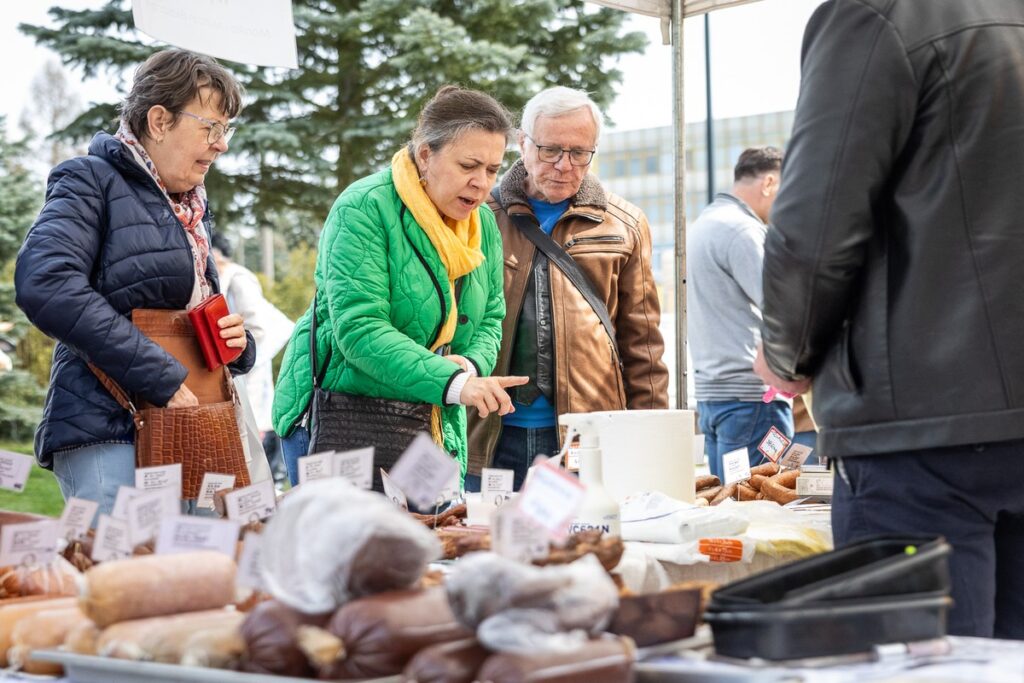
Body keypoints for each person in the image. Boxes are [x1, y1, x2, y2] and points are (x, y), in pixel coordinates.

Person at [754, 0, 1024, 638]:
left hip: (921, 428)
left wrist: (787, 357)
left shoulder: (878, 15)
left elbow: (813, 228)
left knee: (914, 663)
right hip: (970, 413)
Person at [14, 49, 254, 514]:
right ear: (160, 120)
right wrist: (156, 372)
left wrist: (235, 342)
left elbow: (187, 311)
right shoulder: (89, 180)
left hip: (188, 425)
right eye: (210, 127)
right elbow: (45, 282)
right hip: (108, 425)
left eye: (227, 130)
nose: (222, 144)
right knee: (120, 572)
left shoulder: (191, 207)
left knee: (197, 574)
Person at [272, 86, 528, 487]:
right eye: (468, 165)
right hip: (343, 420)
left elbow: (491, 318)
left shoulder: (484, 229)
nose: (482, 183)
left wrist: (469, 364)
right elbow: (360, 331)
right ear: (426, 154)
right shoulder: (364, 207)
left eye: (493, 170)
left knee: (433, 541)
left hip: (429, 420)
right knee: (347, 548)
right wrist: (454, 381)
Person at [466, 86, 669, 491]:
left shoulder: (624, 224)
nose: (564, 165)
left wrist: (652, 439)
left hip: (586, 436)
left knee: (583, 550)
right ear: (522, 144)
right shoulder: (475, 217)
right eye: (550, 150)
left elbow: (643, 343)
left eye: (580, 153)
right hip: (486, 432)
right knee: (484, 546)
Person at [687, 147, 790, 478]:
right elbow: (784, 307)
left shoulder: (705, 224)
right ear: (770, 182)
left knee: (730, 509)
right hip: (752, 398)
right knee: (765, 513)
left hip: (715, 397)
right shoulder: (742, 231)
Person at [211, 234, 294, 487]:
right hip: (230, 375)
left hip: (246, 373)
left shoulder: (238, 277)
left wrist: (240, 362)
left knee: (253, 454)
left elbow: (259, 330)